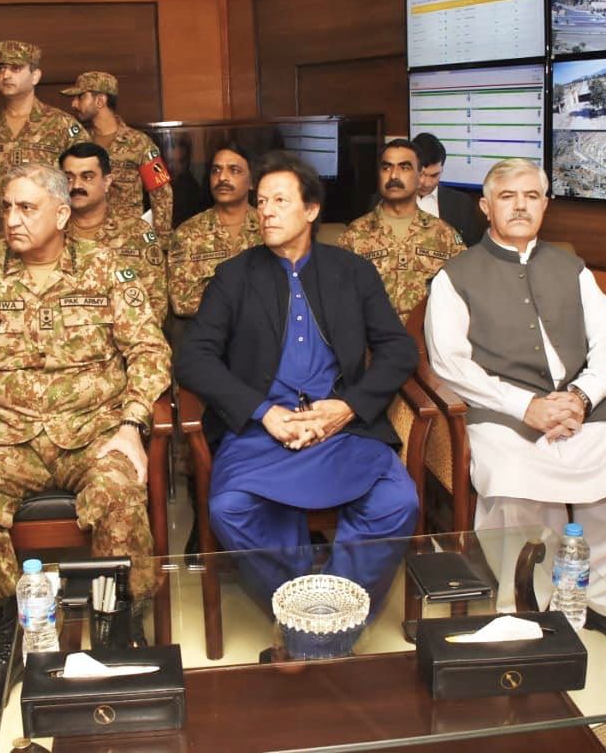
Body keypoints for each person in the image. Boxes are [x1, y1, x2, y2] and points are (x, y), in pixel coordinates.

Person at [0, 162, 169, 726]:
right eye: (6, 207)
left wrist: (132, 426)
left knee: (118, 489)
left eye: (27, 208)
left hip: (94, 429)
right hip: (7, 435)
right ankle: (7, 637)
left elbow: (149, 351)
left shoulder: (107, 268)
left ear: (61, 214)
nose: (12, 219)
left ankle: (119, 627)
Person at [426, 158, 606, 620]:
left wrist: (583, 396)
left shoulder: (573, 268)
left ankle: (605, 595)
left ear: (545, 204)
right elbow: (450, 362)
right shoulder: (455, 276)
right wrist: (525, 406)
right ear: (486, 207)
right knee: (514, 483)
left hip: (580, 406)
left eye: (531, 196)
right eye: (507, 197)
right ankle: (530, 605)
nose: (520, 206)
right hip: (502, 412)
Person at [176, 150, 420, 610]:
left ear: (311, 210)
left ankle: (335, 610)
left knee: (397, 503)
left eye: (280, 201)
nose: (265, 211)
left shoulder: (353, 272)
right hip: (262, 432)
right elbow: (193, 358)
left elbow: (398, 349)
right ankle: (302, 601)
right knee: (230, 509)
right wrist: (263, 411)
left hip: (342, 428)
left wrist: (348, 406)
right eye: (261, 201)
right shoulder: (233, 277)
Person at [0, 41, 89, 236]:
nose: (6, 75)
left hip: (51, 238)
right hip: (2, 237)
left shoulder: (62, 124)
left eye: (15, 68)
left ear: (35, 76)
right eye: (1, 69)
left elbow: (85, 178)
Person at [338, 138, 465, 319]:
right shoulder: (353, 235)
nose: (393, 176)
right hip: (372, 336)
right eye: (386, 168)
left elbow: (463, 297)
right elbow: (341, 302)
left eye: (405, 167)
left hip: (426, 335)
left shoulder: (445, 235)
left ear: (420, 176)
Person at [61, 142, 168, 329]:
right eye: (68, 178)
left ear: (107, 182)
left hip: (123, 339)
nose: (76, 185)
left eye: (87, 177)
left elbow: (155, 302)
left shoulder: (137, 232)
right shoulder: (49, 231)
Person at [63, 71, 174, 239]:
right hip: (83, 236)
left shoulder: (139, 143)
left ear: (100, 101)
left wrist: (161, 239)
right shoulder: (77, 142)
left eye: (80, 97)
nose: (74, 104)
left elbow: (161, 193)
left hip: (127, 238)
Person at [168, 141, 263, 319]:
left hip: (263, 330)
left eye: (234, 170)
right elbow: (181, 302)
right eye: (216, 170)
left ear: (252, 182)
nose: (222, 178)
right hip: (209, 331)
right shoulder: (188, 233)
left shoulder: (268, 227)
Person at [413, 132, 485, 246]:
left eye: (434, 175)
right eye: (421, 174)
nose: (426, 183)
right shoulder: (388, 201)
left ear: (442, 169)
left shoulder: (462, 203)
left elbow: (473, 248)